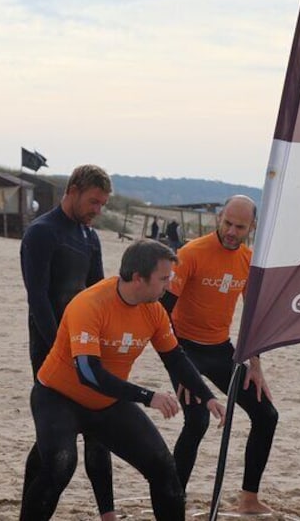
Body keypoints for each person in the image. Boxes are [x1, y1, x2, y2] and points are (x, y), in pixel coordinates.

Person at [20, 240, 226, 521]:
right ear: (138, 278)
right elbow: (89, 373)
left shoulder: (154, 309)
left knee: (163, 468)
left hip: (107, 402)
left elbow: (175, 358)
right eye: (164, 279)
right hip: (58, 398)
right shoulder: (89, 304)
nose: (169, 286)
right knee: (60, 464)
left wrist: (207, 394)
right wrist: (147, 396)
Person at [161, 195, 278, 514]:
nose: (231, 231)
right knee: (197, 420)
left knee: (266, 415)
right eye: (227, 223)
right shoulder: (191, 254)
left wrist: (255, 363)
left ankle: (249, 499)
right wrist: (183, 370)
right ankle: (174, 497)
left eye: (239, 226)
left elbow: (253, 315)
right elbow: (161, 316)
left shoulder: (248, 260)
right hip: (182, 349)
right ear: (218, 219)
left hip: (220, 349)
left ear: (251, 227)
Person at [19, 164, 116, 520]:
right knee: (56, 433)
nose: (97, 210)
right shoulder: (42, 233)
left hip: (84, 347)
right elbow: (38, 298)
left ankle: (107, 513)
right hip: (50, 348)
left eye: (103, 204)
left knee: (94, 426)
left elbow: (99, 294)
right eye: (93, 201)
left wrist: (100, 345)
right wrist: (64, 349)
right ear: (73, 190)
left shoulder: (90, 237)